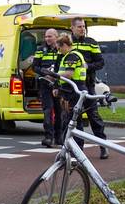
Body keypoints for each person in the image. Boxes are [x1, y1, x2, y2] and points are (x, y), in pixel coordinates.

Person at [70, 17, 108, 159]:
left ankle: (103, 146)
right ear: (72, 28)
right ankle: (79, 150)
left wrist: (88, 66)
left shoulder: (91, 43)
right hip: (74, 87)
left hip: (88, 85)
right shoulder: (69, 43)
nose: (82, 29)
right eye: (79, 26)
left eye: (83, 26)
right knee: (76, 117)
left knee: (94, 116)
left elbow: (101, 62)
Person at [33, 28, 62, 147]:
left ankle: (59, 138)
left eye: (50, 36)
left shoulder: (61, 50)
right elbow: (35, 67)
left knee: (60, 112)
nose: (47, 39)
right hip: (45, 85)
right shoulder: (41, 50)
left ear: (56, 36)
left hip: (58, 85)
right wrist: (45, 74)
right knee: (48, 110)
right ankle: (48, 137)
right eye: (46, 37)